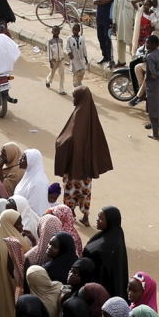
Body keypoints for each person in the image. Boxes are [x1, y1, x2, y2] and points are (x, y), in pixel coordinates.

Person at [54, 86, 113, 220]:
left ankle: (71, 213)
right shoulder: (92, 115)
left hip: (74, 165)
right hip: (86, 167)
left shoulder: (78, 115)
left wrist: (60, 144)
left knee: (70, 191)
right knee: (85, 191)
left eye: (75, 97)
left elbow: (69, 138)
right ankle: (85, 216)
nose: (73, 100)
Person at [83, 206, 128, 299]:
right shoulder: (106, 235)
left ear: (110, 221)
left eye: (101, 219)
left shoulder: (108, 247)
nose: (97, 220)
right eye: (98, 217)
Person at [92, 0, 117, 64]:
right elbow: (94, 1)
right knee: (100, 36)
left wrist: (100, 0)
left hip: (108, 16)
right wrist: (102, 1)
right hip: (100, 15)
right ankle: (105, 56)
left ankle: (111, 59)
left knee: (107, 37)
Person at [66, 21, 90, 90]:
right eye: (73, 30)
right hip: (74, 59)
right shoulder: (70, 38)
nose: (74, 31)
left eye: (76, 30)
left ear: (79, 30)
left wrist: (85, 57)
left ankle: (79, 81)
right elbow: (67, 47)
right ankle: (75, 86)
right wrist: (70, 53)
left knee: (82, 72)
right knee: (75, 73)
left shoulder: (82, 38)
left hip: (81, 58)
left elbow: (84, 48)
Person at [45, 25, 66, 92]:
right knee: (52, 73)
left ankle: (61, 90)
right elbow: (49, 52)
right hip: (54, 60)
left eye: (58, 31)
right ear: (52, 32)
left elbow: (61, 49)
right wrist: (50, 61)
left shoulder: (61, 40)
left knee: (62, 74)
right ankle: (48, 80)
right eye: (55, 31)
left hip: (61, 59)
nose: (57, 32)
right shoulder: (50, 41)